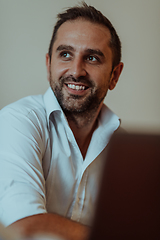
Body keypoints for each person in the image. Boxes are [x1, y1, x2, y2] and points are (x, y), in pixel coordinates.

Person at [0, 2, 123, 240]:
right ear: (49, 65)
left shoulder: (124, 148)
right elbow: (25, 226)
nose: (76, 70)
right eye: (65, 54)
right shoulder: (17, 122)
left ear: (114, 75)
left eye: (92, 58)